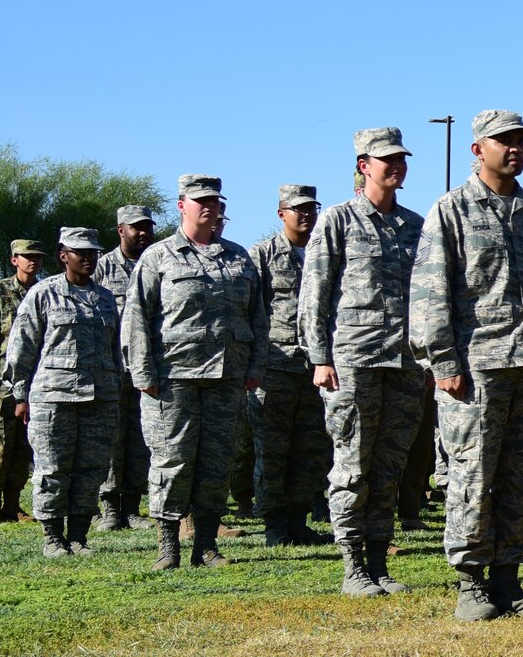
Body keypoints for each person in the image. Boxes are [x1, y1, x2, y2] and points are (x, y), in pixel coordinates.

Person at [411, 109, 523, 620]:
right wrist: (443, 361)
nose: (515, 149)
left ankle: (510, 580)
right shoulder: (452, 209)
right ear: (477, 149)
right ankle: (471, 584)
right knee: (472, 475)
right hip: (476, 368)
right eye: (504, 141)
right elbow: (430, 291)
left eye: (521, 141)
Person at [303, 127, 426, 597]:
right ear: (363, 166)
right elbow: (314, 294)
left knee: (389, 467)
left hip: (405, 363)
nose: (397, 165)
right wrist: (319, 357)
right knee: (352, 463)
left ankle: (379, 561)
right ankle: (353, 566)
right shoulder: (338, 220)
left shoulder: (416, 225)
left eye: (401, 158)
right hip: (353, 359)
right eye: (386, 159)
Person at [126, 175, 268, 569]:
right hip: (173, 378)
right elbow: (136, 318)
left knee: (217, 463)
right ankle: (168, 546)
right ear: (181, 205)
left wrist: (254, 366)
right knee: (172, 461)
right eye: (200, 200)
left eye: (214, 200)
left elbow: (258, 317)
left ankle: (205, 545)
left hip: (228, 377)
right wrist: (143, 373)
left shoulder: (239, 258)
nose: (209, 206)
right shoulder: (159, 257)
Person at [5, 227, 120, 556]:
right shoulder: (44, 293)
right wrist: (20, 395)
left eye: (93, 252)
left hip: (100, 398)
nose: (88, 257)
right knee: (53, 469)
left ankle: (79, 537)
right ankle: (53, 538)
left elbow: (115, 350)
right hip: (53, 399)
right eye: (79, 252)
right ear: (62, 255)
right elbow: (22, 348)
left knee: (92, 469)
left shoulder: (106, 299)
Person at [248, 185, 331, 547]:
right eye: (298, 209)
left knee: (309, 449)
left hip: (315, 367)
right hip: (275, 367)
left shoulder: (324, 251)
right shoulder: (263, 255)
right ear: (281, 213)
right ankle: (274, 525)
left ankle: (299, 519)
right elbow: (252, 311)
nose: (306, 215)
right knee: (273, 449)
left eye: (311, 209)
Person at [0, 239, 49, 524]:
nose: (33, 261)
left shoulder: (45, 291)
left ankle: (13, 505)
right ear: (14, 260)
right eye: (27, 256)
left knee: (23, 445)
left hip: (35, 381)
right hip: (2, 382)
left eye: (38, 257)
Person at [96, 207, 157, 530]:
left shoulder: (159, 262)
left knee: (140, 439)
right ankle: (109, 508)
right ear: (121, 230)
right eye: (136, 228)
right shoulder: (102, 268)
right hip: (113, 369)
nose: (143, 233)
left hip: (149, 369)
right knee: (112, 440)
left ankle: (132, 507)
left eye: (147, 227)